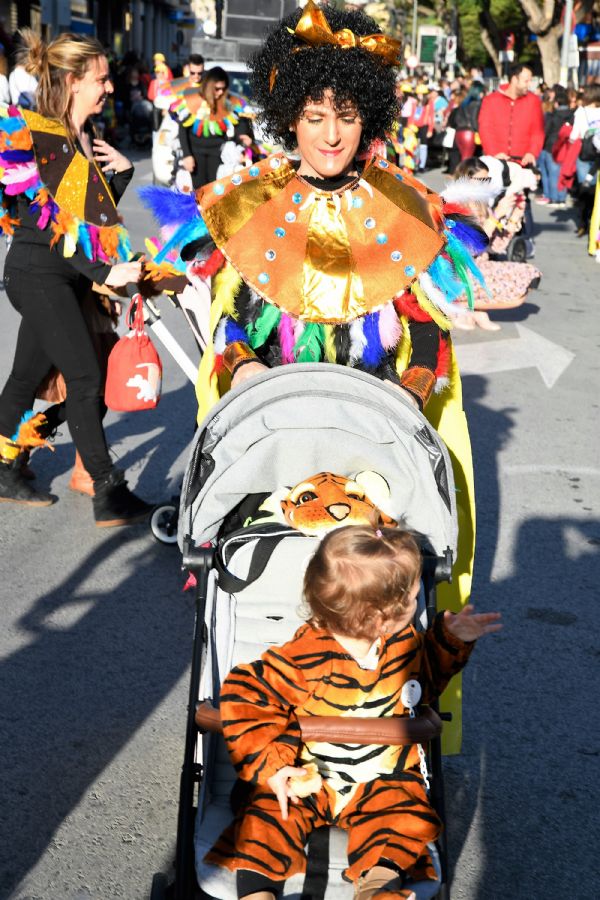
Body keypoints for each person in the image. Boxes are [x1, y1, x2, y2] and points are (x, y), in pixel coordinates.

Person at [143, 1, 485, 749]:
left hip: (377, 457)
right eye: (315, 114)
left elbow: (426, 337)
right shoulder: (248, 209)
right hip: (277, 450)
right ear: (288, 117)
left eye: (348, 115)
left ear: (370, 119)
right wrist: (239, 374)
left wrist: (408, 392)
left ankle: (374, 743)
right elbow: (230, 329)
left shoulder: (406, 212)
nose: (332, 134)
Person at [205, 525, 502, 899]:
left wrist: (452, 639)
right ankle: (257, 894)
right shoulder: (307, 655)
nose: (418, 602)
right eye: (412, 597)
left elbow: (422, 686)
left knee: (401, 814)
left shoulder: (403, 642)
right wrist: (274, 766)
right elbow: (247, 691)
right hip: (308, 774)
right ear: (382, 616)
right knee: (266, 820)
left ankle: (377, 886)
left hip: (380, 776)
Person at [0, 30, 152, 526]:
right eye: (100, 79)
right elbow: (60, 227)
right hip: (37, 273)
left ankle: (5, 464)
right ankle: (108, 491)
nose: (107, 88)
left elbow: (93, 217)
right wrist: (109, 271)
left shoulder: (81, 136)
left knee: (26, 377)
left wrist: (123, 174)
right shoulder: (45, 138)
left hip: (60, 276)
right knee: (86, 377)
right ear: (72, 80)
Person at [449, 157, 541, 330]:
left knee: (528, 273)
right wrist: (495, 216)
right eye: (481, 180)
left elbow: (495, 247)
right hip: (459, 270)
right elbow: (468, 247)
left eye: (487, 180)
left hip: (478, 266)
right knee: (517, 279)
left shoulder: (482, 204)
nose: (485, 184)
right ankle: (459, 306)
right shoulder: (454, 206)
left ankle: (475, 307)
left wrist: (514, 219)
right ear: (466, 179)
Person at [179, 66, 253, 189]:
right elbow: (183, 129)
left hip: (218, 154)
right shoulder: (193, 101)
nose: (221, 92)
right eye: (217, 89)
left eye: (223, 89)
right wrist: (187, 155)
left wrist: (243, 136)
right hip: (196, 153)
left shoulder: (229, 103)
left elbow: (240, 122)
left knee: (215, 192)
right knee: (198, 192)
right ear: (209, 87)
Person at [478, 63, 544, 166]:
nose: (529, 85)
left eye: (530, 81)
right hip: (496, 162)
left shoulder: (533, 101)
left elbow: (537, 132)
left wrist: (532, 153)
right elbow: (485, 129)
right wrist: (493, 152)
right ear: (514, 79)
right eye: (526, 81)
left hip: (523, 163)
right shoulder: (491, 100)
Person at [536, 85, 573, 207]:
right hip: (567, 147)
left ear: (556, 103)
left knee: (552, 174)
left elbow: (545, 131)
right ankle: (561, 198)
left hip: (551, 147)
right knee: (563, 172)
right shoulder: (573, 115)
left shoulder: (552, 116)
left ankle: (553, 198)